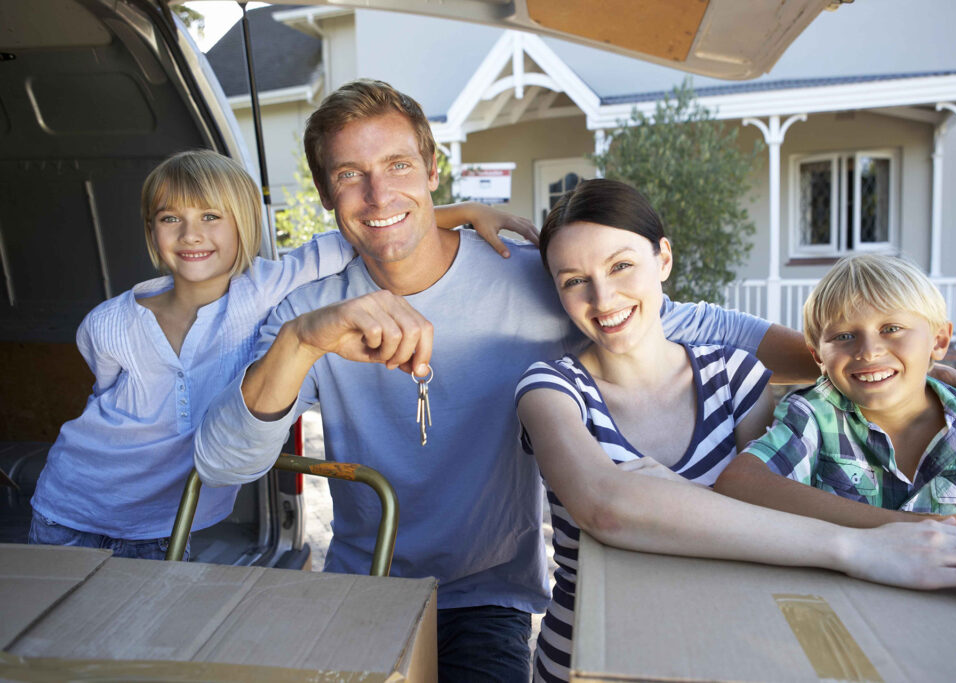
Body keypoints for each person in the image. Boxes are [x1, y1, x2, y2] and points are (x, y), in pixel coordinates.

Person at [192, 79, 817, 682]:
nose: (378, 195)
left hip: (488, 594)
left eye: (399, 165)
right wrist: (303, 342)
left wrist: (843, 359)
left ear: (432, 170)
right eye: (350, 175)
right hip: (365, 580)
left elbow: (685, 320)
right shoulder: (308, 311)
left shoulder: (527, 279)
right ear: (328, 196)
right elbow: (224, 463)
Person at [515, 180, 956, 683]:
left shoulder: (735, 375)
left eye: (621, 265)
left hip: (729, 646)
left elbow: (772, 504)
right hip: (589, 657)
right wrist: (867, 544)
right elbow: (605, 504)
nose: (603, 297)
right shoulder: (548, 388)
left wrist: (915, 367)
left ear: (663, 260)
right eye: (574, 280)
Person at [28, 148, 529, 560]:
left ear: (243, 224)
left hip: (165, 522)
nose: (191, 234)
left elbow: (366, 231)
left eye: (210, 217)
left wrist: (462, 212)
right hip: (69, 504)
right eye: (169, 219)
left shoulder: (268, 288)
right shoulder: (107, 322)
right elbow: (104, 395)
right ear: (152, 232)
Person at [714, 253, 956, 615]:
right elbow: (740, 482)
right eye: (844, 336)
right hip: (845, 612)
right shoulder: (815, 413)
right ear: (818, 357)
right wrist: (922, 528)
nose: (869, 351)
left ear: (939, 341)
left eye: (891, 328)